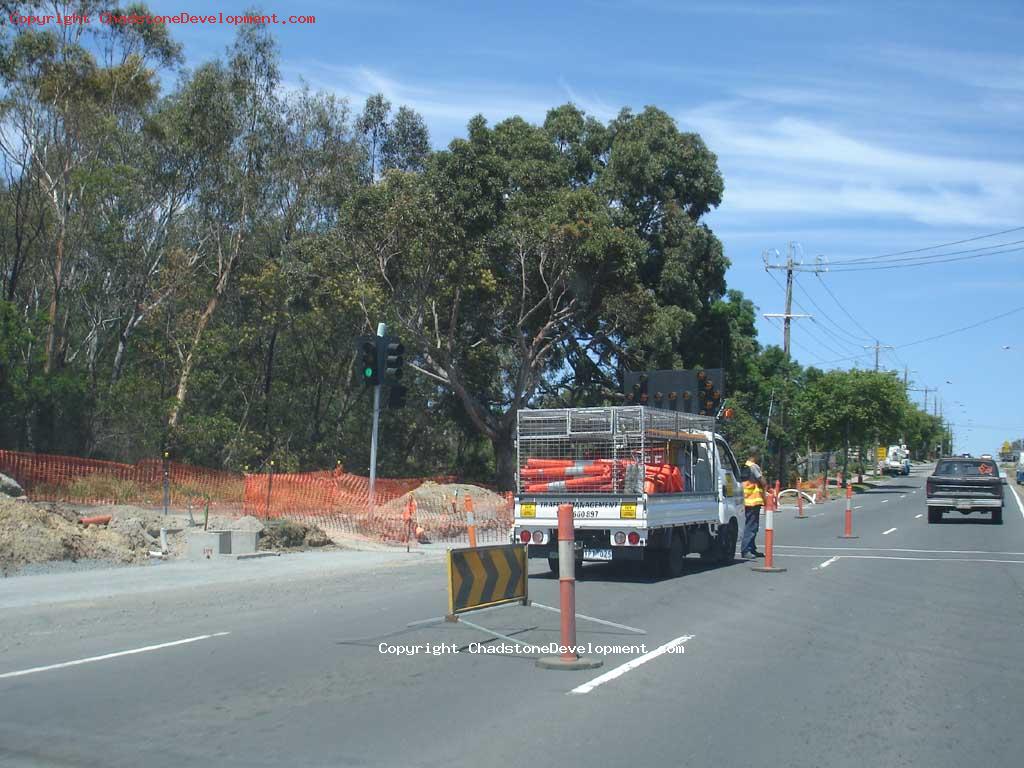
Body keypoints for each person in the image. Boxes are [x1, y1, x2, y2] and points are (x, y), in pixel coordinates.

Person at [741, 450, 767, 559]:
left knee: (752, 525)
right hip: (753, 500)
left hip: (747, 500)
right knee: (751, 526)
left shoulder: (744, 466)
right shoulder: (754, 466)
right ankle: (746, 549)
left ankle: (752, 548)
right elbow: (762, 481)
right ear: (755, 455)